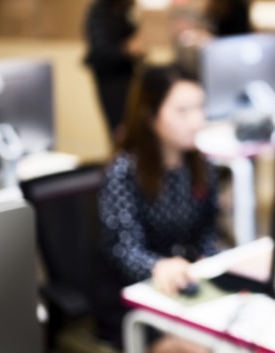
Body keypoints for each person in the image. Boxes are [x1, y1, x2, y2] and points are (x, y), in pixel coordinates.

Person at [95, 65, 217, 353]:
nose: (196, 121)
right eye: (182, 111)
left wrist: (209, 259)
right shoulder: (124, 172)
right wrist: (158, 266)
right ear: (150, 115)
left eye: (199, 107)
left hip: (185, 291)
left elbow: (208, 231)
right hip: (133, 299)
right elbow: (124, 249)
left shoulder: (200, 164)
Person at [84, 0, 144, 141]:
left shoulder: (125, 6)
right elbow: (100, 49)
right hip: (111, 81)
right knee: (121, 134)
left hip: (128, 77)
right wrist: (126, 50)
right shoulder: (101, 9)